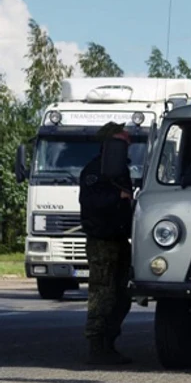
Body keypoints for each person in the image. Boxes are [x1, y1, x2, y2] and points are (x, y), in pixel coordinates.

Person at [79, 122, 134, 365]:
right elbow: (92, 202)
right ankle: (96, 345)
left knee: (122, 295)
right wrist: (118, 196)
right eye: (122, 141)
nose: (128, 143)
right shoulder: (95, 170)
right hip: (102, 241)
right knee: (102, 293)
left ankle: (109, 343)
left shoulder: (119, 169)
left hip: (120, 238)